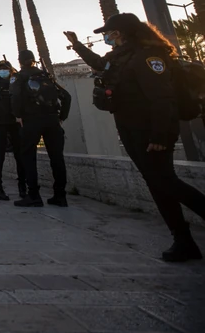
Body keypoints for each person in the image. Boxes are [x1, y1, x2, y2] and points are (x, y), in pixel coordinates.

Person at [66, 14, 205, 262]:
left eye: (108, 33)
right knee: (157, 184)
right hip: (131, 128)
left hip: (152, 132)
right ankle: (182, 240)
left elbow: (162, 99)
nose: (106, 38)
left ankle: (184, 239)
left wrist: (160, 134)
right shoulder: (120, 57)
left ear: (120, 32)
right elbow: (99, 63)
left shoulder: (148, 57)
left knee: (166, 182)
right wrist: (77, 45)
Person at [11, 49, 67, 208]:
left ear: (20, 61)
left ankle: (34, 195)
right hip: (52, 120)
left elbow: (15, 97)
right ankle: (60, 196)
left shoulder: (19, 77)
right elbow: (66, 97)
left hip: (31, 121)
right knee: (57, 158)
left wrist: (17, 115)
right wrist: (61, 117)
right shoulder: (45, 76)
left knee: (28, 157)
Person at [0, 60, 25, 201]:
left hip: (15, 123)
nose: (3, 71)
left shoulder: (16, 82)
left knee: (20, 156)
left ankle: (23, 187)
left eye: (5, 69)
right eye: (0, 69)